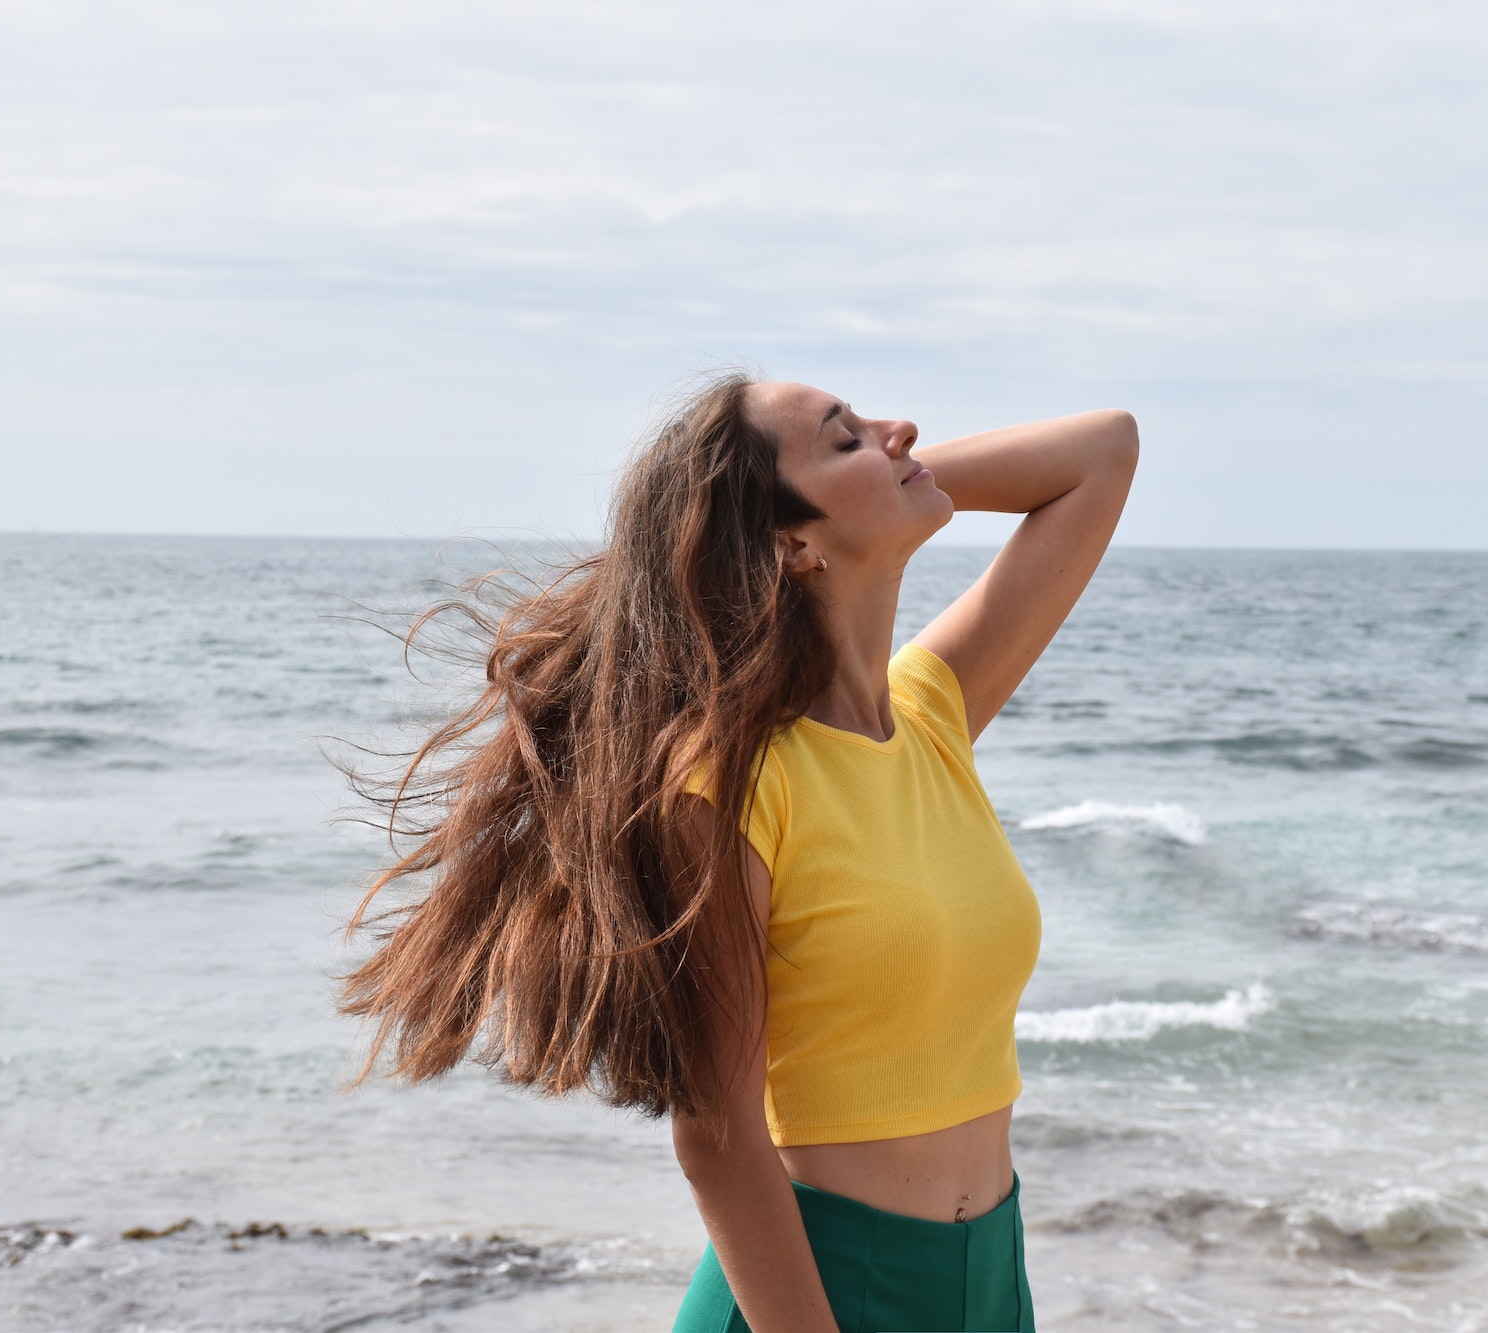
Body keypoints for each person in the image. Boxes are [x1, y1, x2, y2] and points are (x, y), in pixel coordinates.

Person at [340, 371, 1138, 1332]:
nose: (902, 430)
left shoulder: (931, 714)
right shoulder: (724, 782)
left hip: (990, 1285)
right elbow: (716, 1132)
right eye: (847, 438)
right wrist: (824, 500)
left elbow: (1104, 452)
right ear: (789, 542)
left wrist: (868, 482)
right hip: (818, 1293)